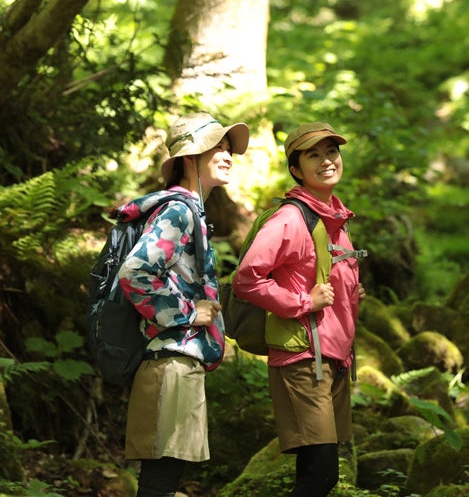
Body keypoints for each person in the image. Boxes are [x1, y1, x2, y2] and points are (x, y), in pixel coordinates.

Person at [117, 112, 249, 496]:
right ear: (190, 159)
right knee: (160, 482)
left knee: (162, 480)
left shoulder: (192, 211)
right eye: (217, 147)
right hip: (171, 362)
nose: (227, 156)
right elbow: (135, 273)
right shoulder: (178, 210)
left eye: (229, 148)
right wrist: (190, 312)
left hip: (177, 362)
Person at [232, 122, 366, 496]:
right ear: (296, 169)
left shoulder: (335, 218)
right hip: (304, 359)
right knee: (320, 476)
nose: (327, 161)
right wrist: (304, 302)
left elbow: (314, 275)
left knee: (317, 476)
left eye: (331, 152)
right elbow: (247, 278)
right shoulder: (291, 218)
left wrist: (351, 291)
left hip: (333, 358)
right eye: (314, 155)